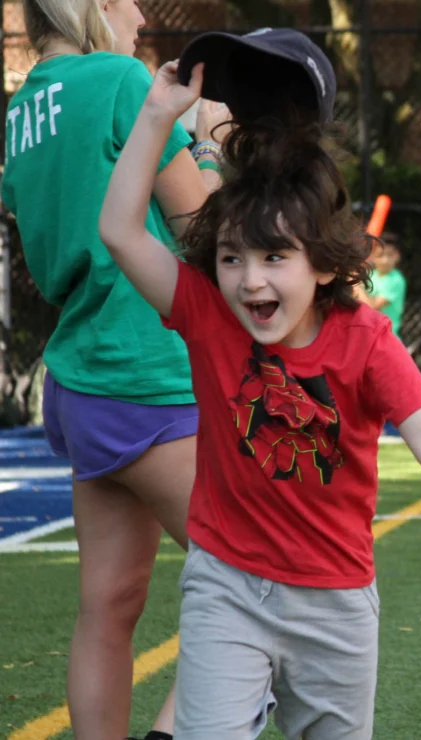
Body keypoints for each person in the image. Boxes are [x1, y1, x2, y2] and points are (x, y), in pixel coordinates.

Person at [97, 30, 421, 737]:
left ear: (325, 266)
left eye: (275, 256)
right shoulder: (207, 311)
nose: (251, 279)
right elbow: (119, 230)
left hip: (336, 600)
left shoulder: (364, 338)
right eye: (233, 257)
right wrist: (155, 116)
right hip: (226, 587)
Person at [0, 0, 225, 735]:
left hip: (82, 372)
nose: (138, 13)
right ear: (96, 6)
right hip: (149, 365)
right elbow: (208, 232)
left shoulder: (21, 110)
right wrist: (216, 148)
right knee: (268, 581)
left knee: (108, 604)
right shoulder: (124, 81)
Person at [360, 232, 406, 340]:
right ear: (373, 257)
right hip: (368, 336)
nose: (386, 260)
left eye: (390, 255)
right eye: (380, 255)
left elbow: (372, 307)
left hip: (386, 339)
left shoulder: (396, 280)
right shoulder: (370, 275)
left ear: (397, 256)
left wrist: (357, 288)